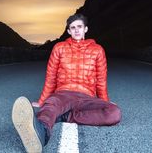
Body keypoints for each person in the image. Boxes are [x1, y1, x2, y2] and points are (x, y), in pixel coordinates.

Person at [12, 13, 121, 153]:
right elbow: (51, 77)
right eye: (73, 27)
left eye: (79, 27)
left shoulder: (98, 50)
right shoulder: (59, 47)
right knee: (50, 106)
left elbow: (101, 80)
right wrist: (42, 100)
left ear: (85, 29)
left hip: (87, 97)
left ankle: (65, 116)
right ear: (68, 31)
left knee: (114, 113)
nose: (76, 30)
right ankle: (41, 134)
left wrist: (105, 102)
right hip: (64, 93)